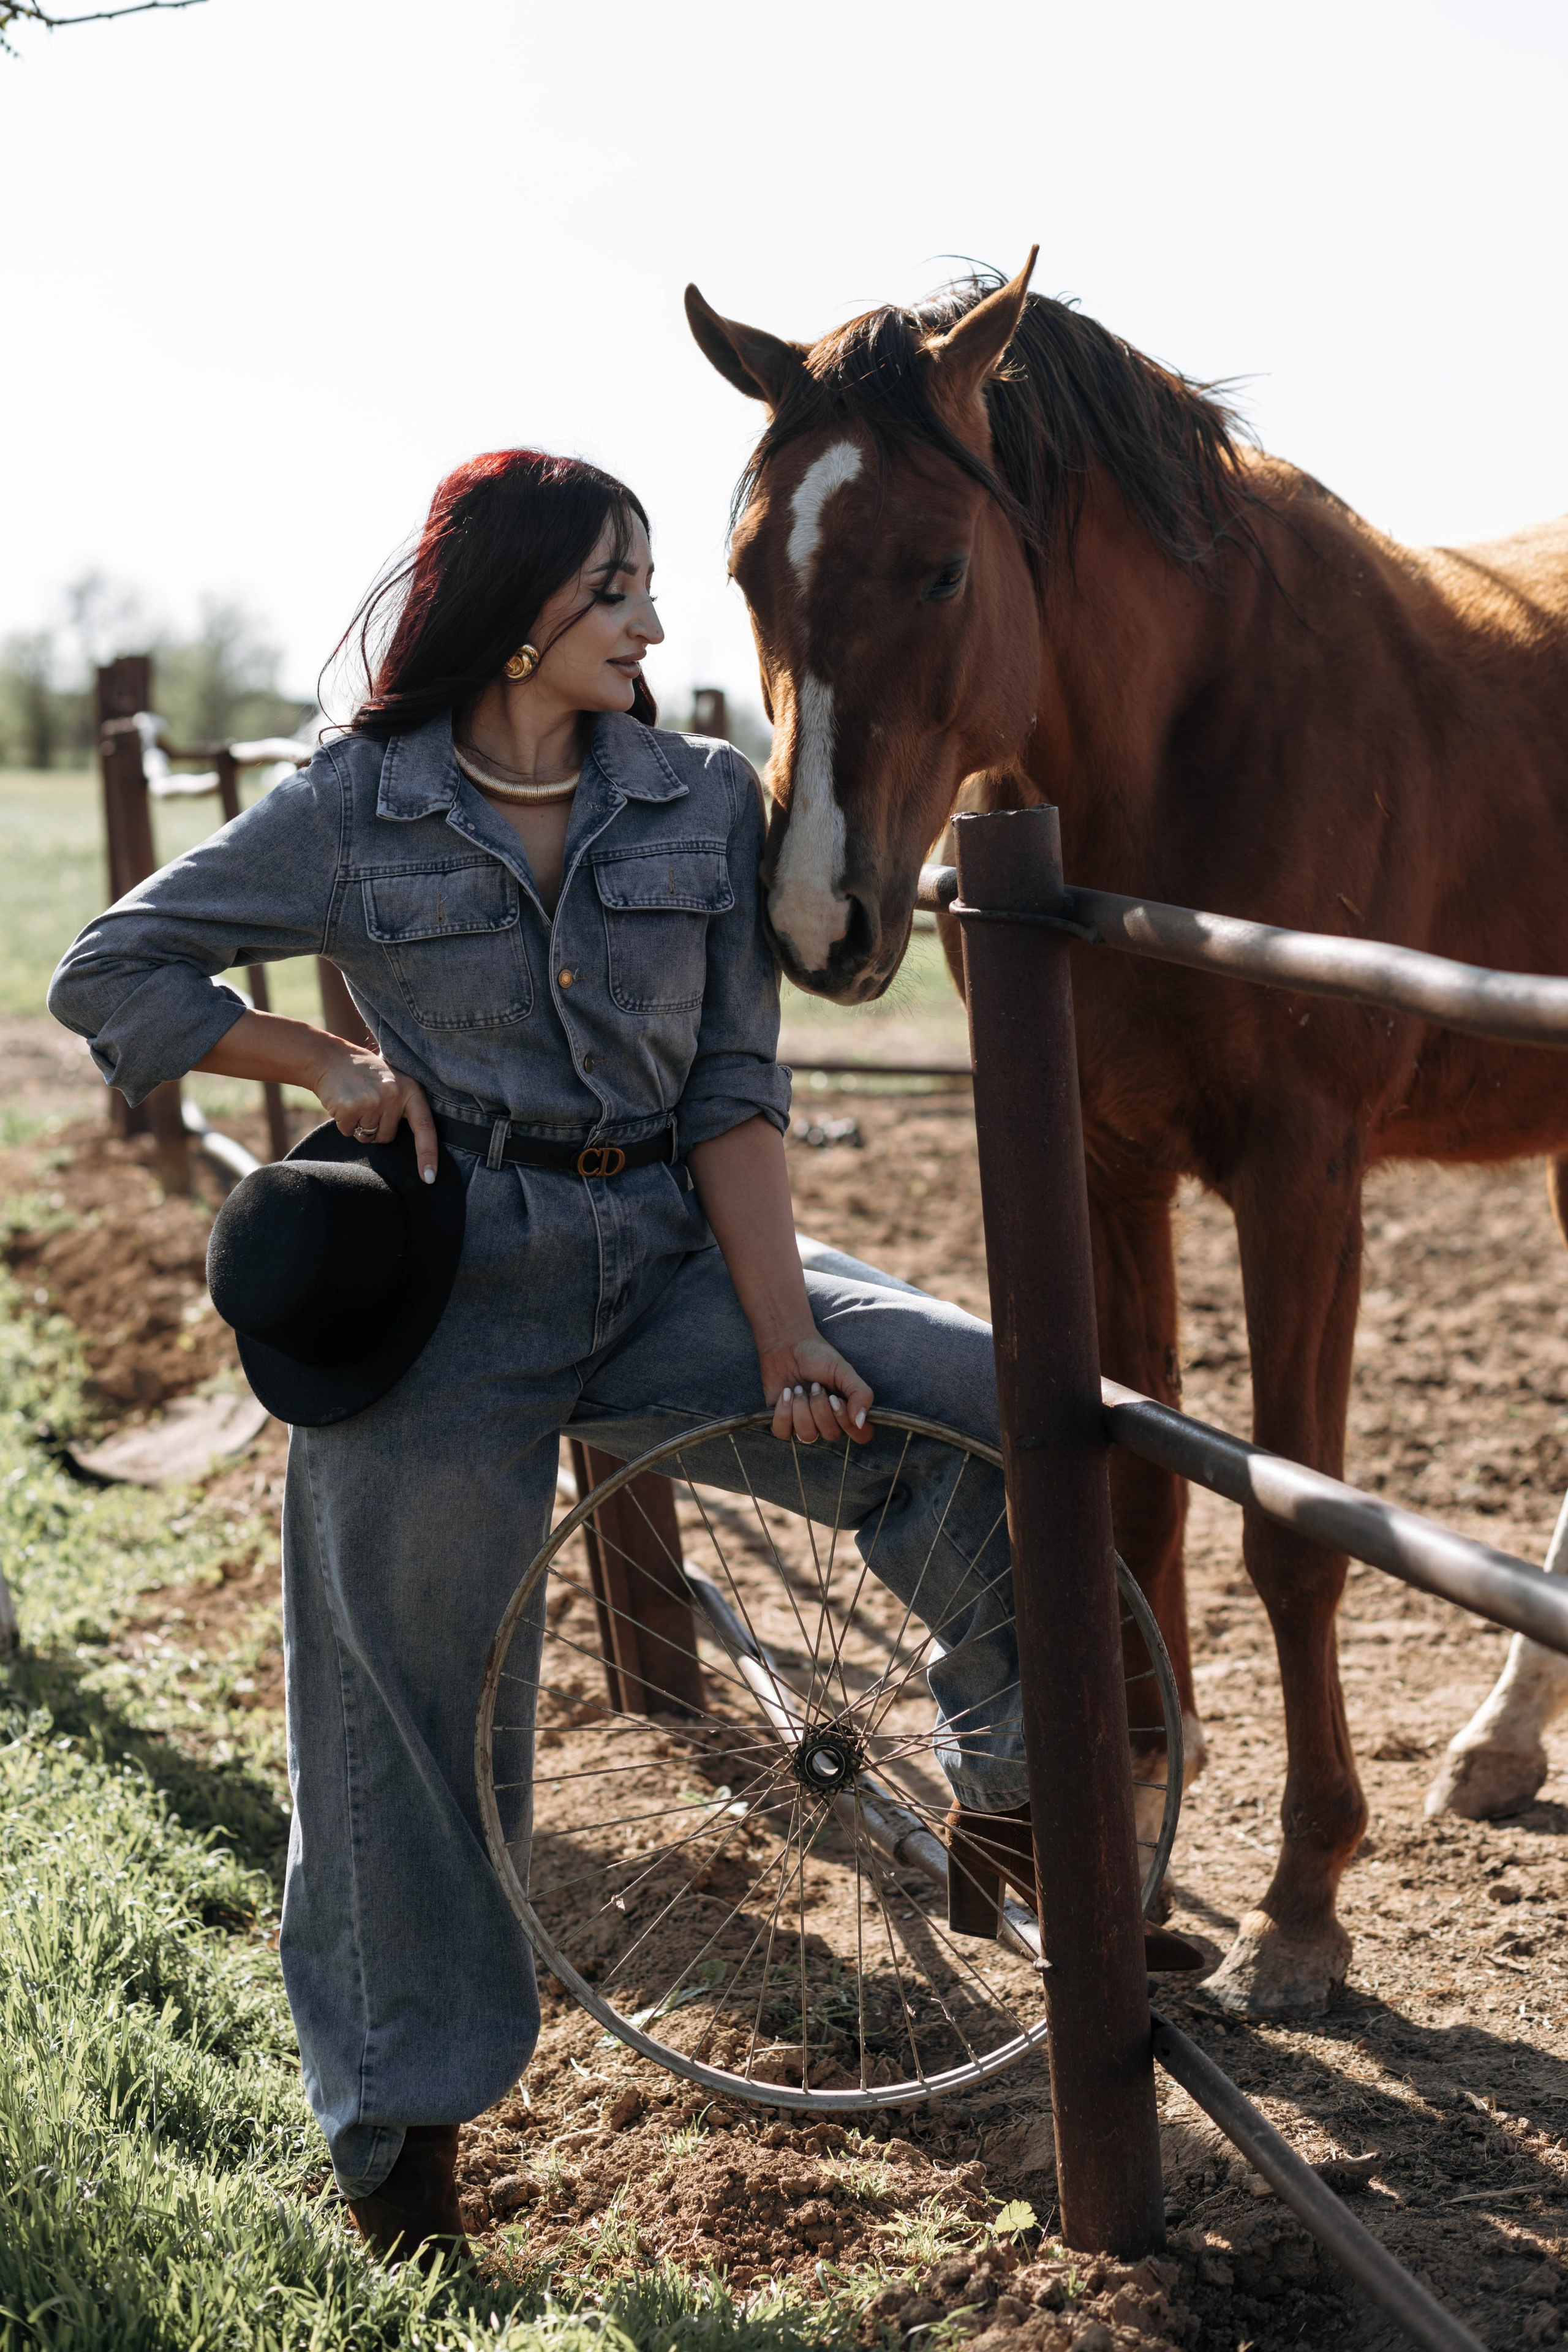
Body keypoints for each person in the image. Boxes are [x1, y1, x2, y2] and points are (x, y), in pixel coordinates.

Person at [48, 448, 1184, 2266]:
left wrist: (787, 1330)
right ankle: (401, 2155)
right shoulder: (355, 804)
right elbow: (114, 969)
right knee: (408, 1718)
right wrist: (317, 1061)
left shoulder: (698, 796)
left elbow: (733, 1084)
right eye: (616, 586)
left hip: (667, 1256)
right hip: (448, 1288)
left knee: (974, 1403)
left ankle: (1008, 1805)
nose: (655, 620)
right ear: (515, 614)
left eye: (653, 582)